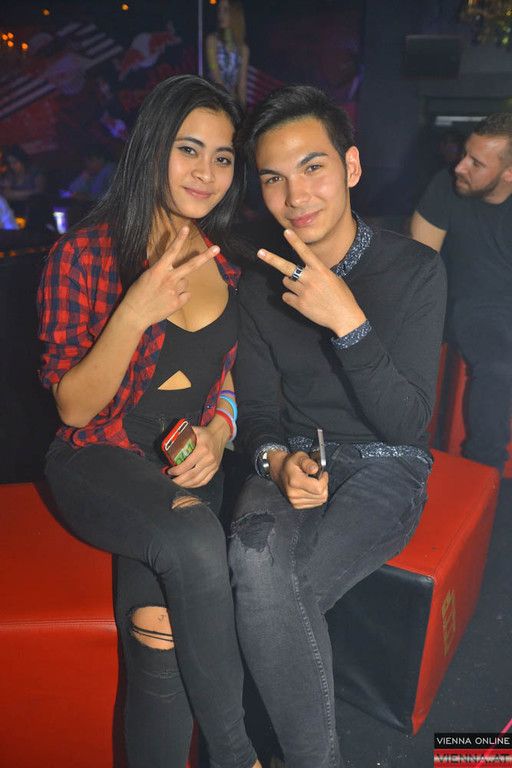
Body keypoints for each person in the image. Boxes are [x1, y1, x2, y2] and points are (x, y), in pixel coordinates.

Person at [38, 74, 261, 768]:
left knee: (157, 632)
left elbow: (226, 376)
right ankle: (237, 757)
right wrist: (134, 310)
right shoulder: (84, 254)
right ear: (152, 147)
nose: (206, 173)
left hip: (185, 467)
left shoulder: (228, 263)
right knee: (194, 538)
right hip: (99, 459)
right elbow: (73, 407)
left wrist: (220, 431)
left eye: (223, 157)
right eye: (188, 149)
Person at [228, 85, 446, 768]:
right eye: (274, 178)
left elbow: (408, 424)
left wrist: (347, 320)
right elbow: (257, 413)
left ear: (351, 167)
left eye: (313, 167)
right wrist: (274, 461)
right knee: (252, 560)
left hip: (388, 463)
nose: (296, 195)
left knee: (280, 591)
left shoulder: (415, 269)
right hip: (296, 455)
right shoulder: (258, 285)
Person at [411, 113, 512, 472]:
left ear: (508, 174)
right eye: (465, 154)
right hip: (469, 306)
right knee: (500, 364)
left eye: (476, 163)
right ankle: (485, 471)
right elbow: (418, 265)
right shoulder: (446, 186)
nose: (460, 166)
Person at [206, 0, 250, 106]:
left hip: (231, 102)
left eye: (225, 10)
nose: (221, 15)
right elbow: (215, 74)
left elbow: (242, 84)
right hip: (214, 100)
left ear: (235, 14)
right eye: (219, 10)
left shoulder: (243, 49)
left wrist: (243, 109)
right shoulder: (212, 41)